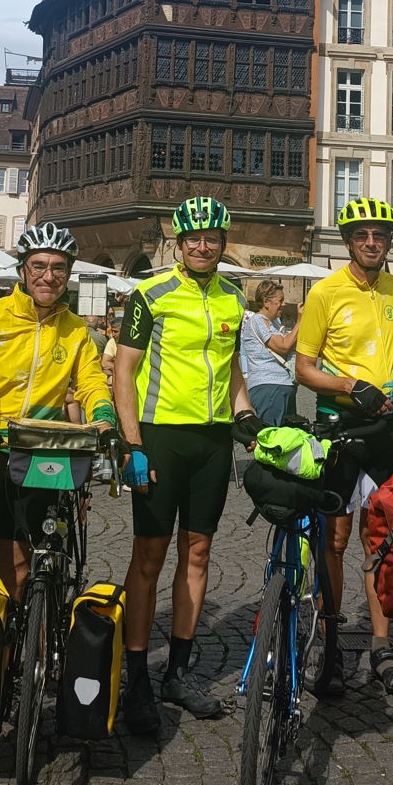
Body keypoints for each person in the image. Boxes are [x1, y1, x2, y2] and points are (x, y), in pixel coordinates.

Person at [0, 221, 115, 763]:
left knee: (23, 568)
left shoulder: (75, 330)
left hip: (40, 450)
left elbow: (90, 382)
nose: (49, 276)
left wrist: (102, 417)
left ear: (68, 275)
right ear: (23, 271)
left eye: (59, 268)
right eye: (40, 267)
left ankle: (13, 672)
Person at [113, 197, 258, 735]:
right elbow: (123, 374)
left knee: (197, 552)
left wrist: (245, 414)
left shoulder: (232, 298)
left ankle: (177, 672)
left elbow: (233, 368)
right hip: (161, 438)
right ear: (179, 241)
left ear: (223, 242)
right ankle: (136, 679)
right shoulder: (149, 293)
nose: (203, 246)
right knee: (148, 556)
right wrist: (133, 445)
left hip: (212, 442)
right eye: (194, 238)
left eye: (212, 238)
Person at [295, 198, 393, 705]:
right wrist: (352, 387)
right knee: (335, 538)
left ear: (388, 240)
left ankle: (380, 645)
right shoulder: (326, 293)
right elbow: (304, 368)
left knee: (384, 537)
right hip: (341, 424)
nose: (371, 242)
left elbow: (390, 363)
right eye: (361, 235)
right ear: (348, 241)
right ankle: (331, 644)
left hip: (388, 429)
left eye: (379, 235)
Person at [240, 281, 301, 425]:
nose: (284, 304)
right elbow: (284, 346)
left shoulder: (274, 323)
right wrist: (300, 321)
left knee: (288, 440)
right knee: (272, 438)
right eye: (280, 300)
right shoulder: (258, 320)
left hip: (282, 386)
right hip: (268, 388)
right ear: (266, 302)